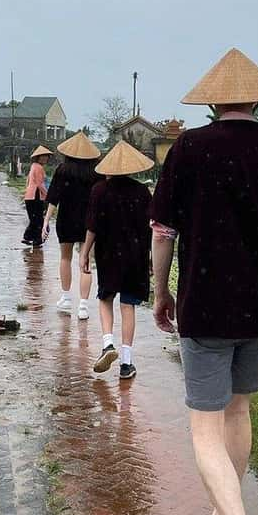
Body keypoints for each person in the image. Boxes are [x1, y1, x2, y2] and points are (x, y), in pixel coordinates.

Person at [150, 48, 258, 515]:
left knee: (205, 428)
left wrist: (161, 291)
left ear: (212, 105)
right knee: (238, 410)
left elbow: (163, 234)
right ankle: (222, 507)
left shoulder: (188, 149)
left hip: (205, 305)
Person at [80, 140, 154, 380]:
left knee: (105, 298)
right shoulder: (143, 192)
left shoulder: (100, 190)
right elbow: (150, 229)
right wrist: (151, 258)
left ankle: (107, 344)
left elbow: (92, 225)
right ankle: (126, 363)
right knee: (128, 306)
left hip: (109, 254)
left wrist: (85, 253)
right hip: (135, 255)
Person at [43, 132, 101, 319]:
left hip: (66, 220)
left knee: (65, 259)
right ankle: (83, 305)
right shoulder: (96, 172)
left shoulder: (62, 170)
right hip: (89, 222)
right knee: (86, 262)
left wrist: (46, 221)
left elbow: (53, 198)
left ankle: (66, 297)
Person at [22, 145, 52, 247]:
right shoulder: (38, 167)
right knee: (38, 219)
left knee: (34, 218)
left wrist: (25, 193)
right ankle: (36, 239)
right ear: (38, 157)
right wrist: (48, 196)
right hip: (35, 196)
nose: (45, 159)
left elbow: (28, 182)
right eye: (43, 157)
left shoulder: (33, 166)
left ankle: (29, 237)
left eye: (46, 157)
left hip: (29, 196)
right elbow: (40, 184)